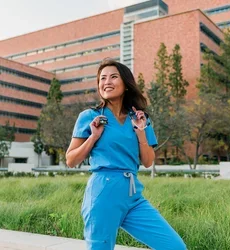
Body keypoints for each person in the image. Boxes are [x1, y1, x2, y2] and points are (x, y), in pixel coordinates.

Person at [66, 58, 186, 250]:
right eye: (102, 78)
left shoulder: (139, 118)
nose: (107, 82)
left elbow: (147, 161)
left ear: (126, 83)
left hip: (133, 196)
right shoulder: (89, 116)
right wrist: (93, 137)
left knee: (174, 246)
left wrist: (140, 132)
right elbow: (71, 160)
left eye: (113, 77)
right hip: (103, 194)